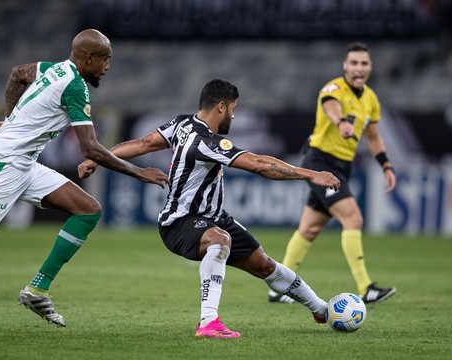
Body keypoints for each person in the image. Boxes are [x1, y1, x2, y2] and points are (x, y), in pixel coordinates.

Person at [0, 29, 170, 327]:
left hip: (23, 163)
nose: (107, 67)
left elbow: (18, 74)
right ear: (89, 58)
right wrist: (138, 172)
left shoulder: (53, 68)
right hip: (2, 165)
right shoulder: (76, 87)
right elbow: (90, 147)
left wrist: (11, 123)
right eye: (105, 59)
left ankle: (37, 289)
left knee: (88, 209)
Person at [78, 79, 341, 338]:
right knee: (220, 241)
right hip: (180, 222)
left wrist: (98, 157)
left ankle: (320, 309)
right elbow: (260, 164)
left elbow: (143, 143)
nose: (233, 117)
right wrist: (310, 174)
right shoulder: (206, 142)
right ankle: (208, 322)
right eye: (233, 110)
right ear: (221, 107)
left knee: (264, 265)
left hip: (214, 217)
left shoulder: (182, 123)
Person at [268, 42, 396, 305]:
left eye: (364, 63)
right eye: (354, 63)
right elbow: (331, 106)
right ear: (345, 66)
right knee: (353, 219)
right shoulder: (333, 88)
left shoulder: (370, 98)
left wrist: (386, 165)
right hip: (321, 162)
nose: (359, 68)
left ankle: (277, 289)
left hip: (342, 166)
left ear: (370, 67)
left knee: (309, 229)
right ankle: (366, 288)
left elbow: (373, 137)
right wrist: (341, 123)